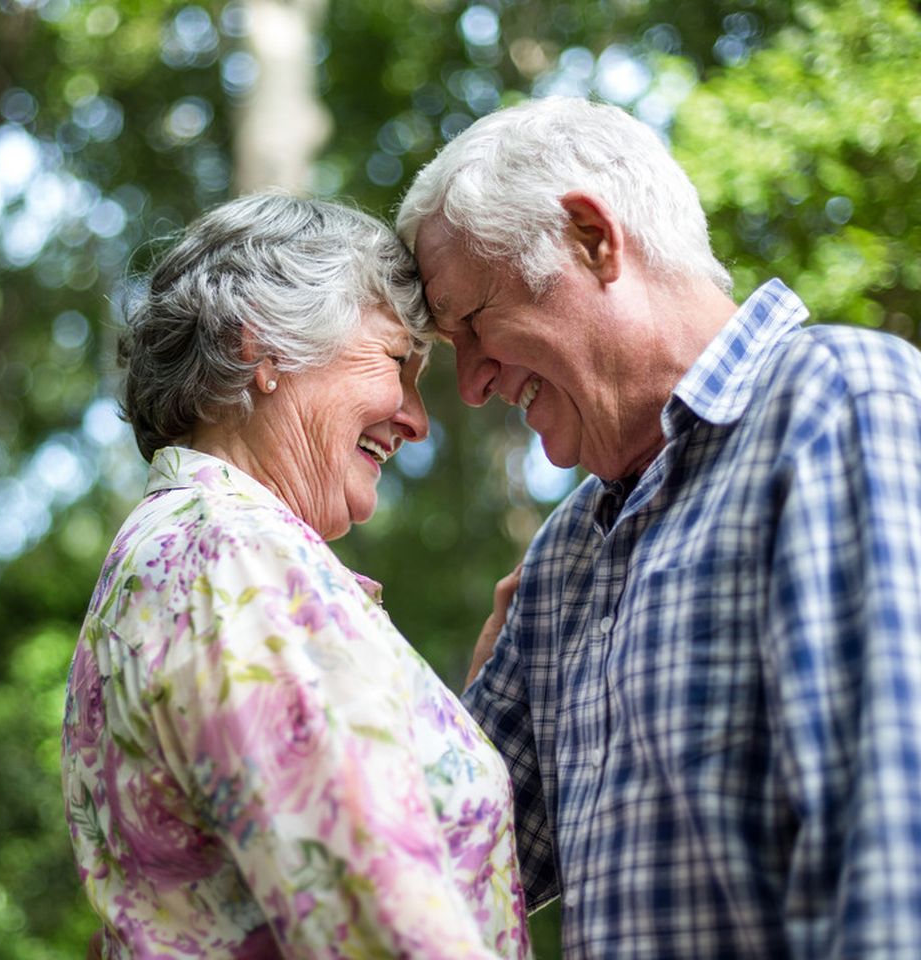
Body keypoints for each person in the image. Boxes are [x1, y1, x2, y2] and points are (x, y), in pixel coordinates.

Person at [397, 96, 921, 958]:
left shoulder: (833, 403)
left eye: (474, 325)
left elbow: (891, 854)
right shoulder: (566, 555)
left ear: (592, 239)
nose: (474, 385)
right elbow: (427, 861)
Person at [62, 194, 531, 959]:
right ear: (262, 351)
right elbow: (379, 921)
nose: (418, 418)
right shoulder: (229, 555)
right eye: (394, 362)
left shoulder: (195, 550)